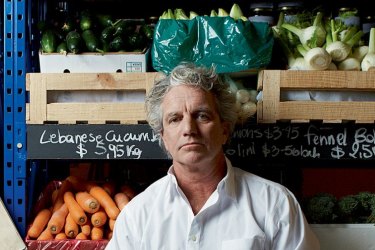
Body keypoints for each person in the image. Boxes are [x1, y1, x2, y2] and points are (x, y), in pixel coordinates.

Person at [106, 63, 320, 250]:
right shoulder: (137, 216)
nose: (189, 128)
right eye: (175, 119)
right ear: (163, 138)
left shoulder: (275, 204)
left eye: (202, 115)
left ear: (224, 130)